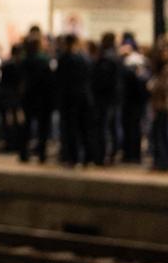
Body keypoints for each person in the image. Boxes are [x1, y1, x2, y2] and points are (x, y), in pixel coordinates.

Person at [56, 34, 95, 166]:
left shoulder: (64, 59)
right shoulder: (85, 58)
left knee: (71, 128)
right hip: (85, 96)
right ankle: (88, 157)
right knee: (85, 128)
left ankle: (73, 157)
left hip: (69, 98)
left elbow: (59, 80)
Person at [20, 31, 54, 163]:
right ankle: (42, 154)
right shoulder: (44, 60)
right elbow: (49, 80)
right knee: (42, 127)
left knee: (27, 126)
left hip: (28, 96)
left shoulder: (24, 59)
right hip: (43, 97)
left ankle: (24, 153)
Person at [147, 36, 168, 171]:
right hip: (157, 105)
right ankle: (160, 159)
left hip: (164, 105)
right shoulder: (160, 68)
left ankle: (164, 161)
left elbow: (165, 86)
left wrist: (152, 85)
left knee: (162, 134)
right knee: (158, 133)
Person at [92, 32, 123, 165]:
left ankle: (102, 155)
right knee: (112, 127)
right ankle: (112, 154)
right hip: (114, 97)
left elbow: (102, 81)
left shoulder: (105, 58)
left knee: (104, 128)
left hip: (105, 98)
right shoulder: (116, 56)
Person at [120, 38, 150, 163]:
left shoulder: (128, 63)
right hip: (138, 100)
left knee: (131, 128)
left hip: (130, 101)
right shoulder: (142, 62)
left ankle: (130, 154)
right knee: (136, 128)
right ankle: (135, 154)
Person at [0, 43, 25, 155]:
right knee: (18, 120)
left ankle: (9, 143)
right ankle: (18, 143)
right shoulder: (21, 65)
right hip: (18, 96)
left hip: (7, 95)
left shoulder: (6, 64)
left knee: (8, 121)